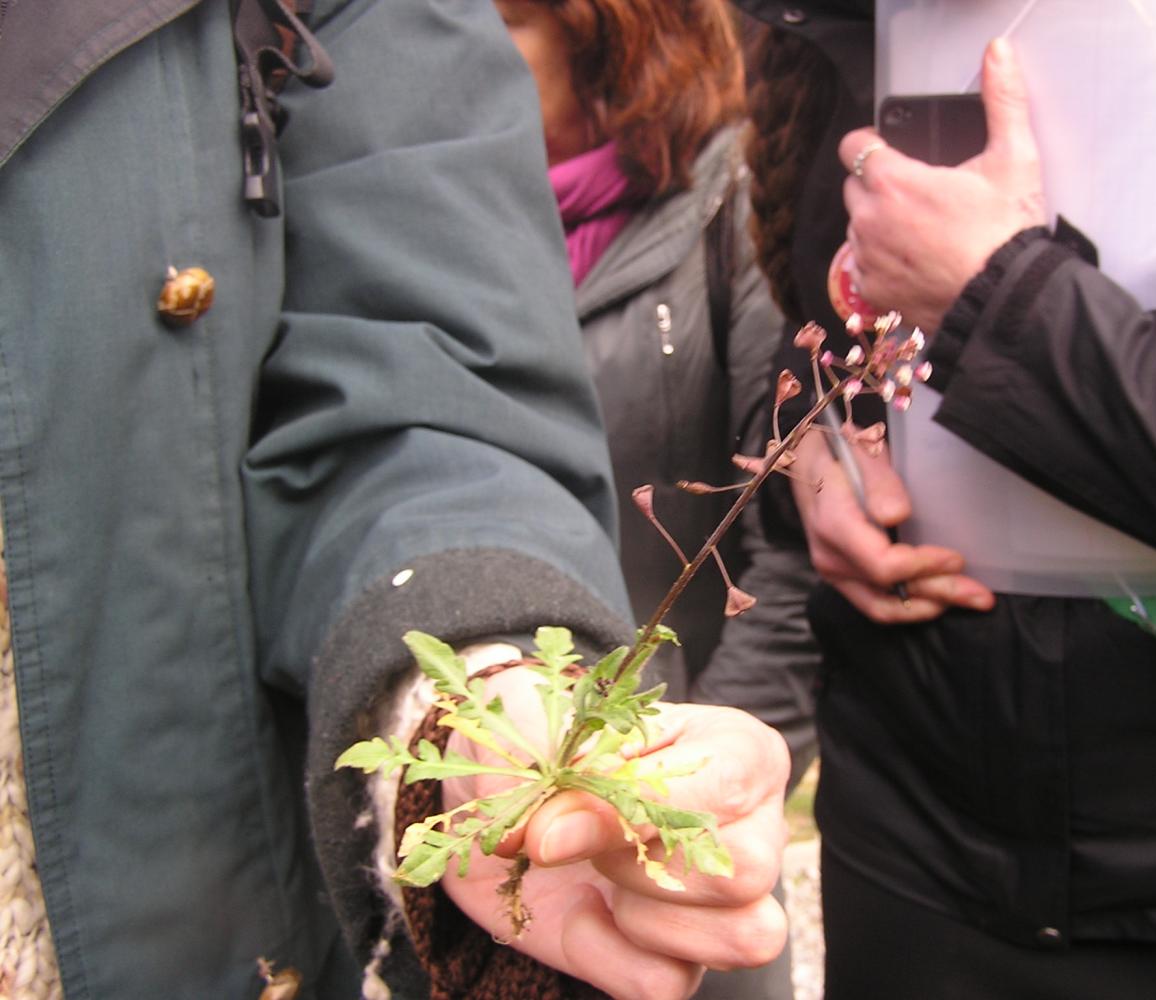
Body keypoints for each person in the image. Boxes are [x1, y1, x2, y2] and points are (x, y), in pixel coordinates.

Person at [0, 1, 789, 997]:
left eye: (519, 35)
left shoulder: (705, 210)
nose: (501, 70)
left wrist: (478, 662)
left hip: (606, 662)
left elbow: (423, 388)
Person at [770, 4, 1156, 997]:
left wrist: (1004, 301)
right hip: (907, 847)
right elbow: (819, 342)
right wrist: (811, 460)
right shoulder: (864, 26)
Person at [490, 3, 821, 995]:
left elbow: (794, 550)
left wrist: (682, 799)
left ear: (609, 31)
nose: (454, 44)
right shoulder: (426, 240)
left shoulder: (733, 199)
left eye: (499, 16)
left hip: (670, 851)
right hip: (489, 829)